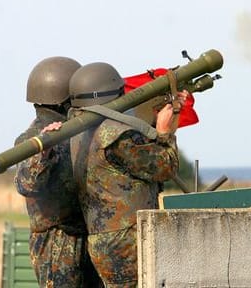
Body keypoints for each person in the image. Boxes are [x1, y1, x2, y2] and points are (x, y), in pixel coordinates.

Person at [68, 62, 184, 287]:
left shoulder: (79, 134)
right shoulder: (117, 136)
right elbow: (165, 166)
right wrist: (163, 132)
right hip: (127, 242)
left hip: (103, 238)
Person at [14, 56, 101, 287]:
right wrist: (44, 150)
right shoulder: (31, 139)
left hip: (85, 233)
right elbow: (27, 184)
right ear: (65, 100)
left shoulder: (76, 131)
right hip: (58, 241)